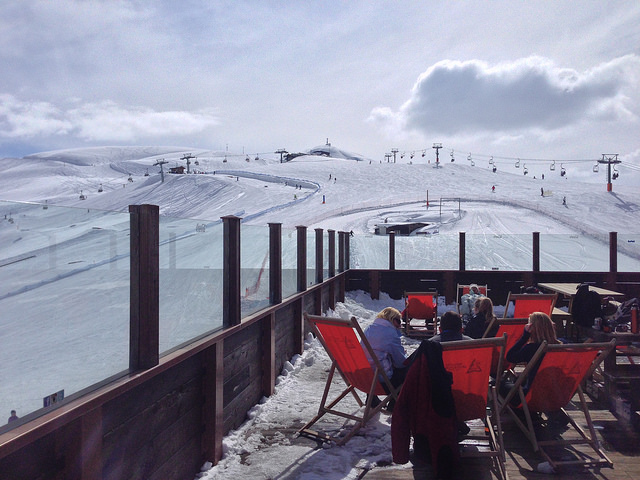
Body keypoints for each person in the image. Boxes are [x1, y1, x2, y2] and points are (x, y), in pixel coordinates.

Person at [363, 307, 408, 411]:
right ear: (392, 319)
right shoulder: (390, 333)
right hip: (381, 381)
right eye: (399, 321)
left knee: (373, 360)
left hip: (365, 378)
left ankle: (372, 399)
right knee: (409, 370)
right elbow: (401, 363)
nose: (400, 325)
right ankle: (394, 403)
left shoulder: (370, 328)